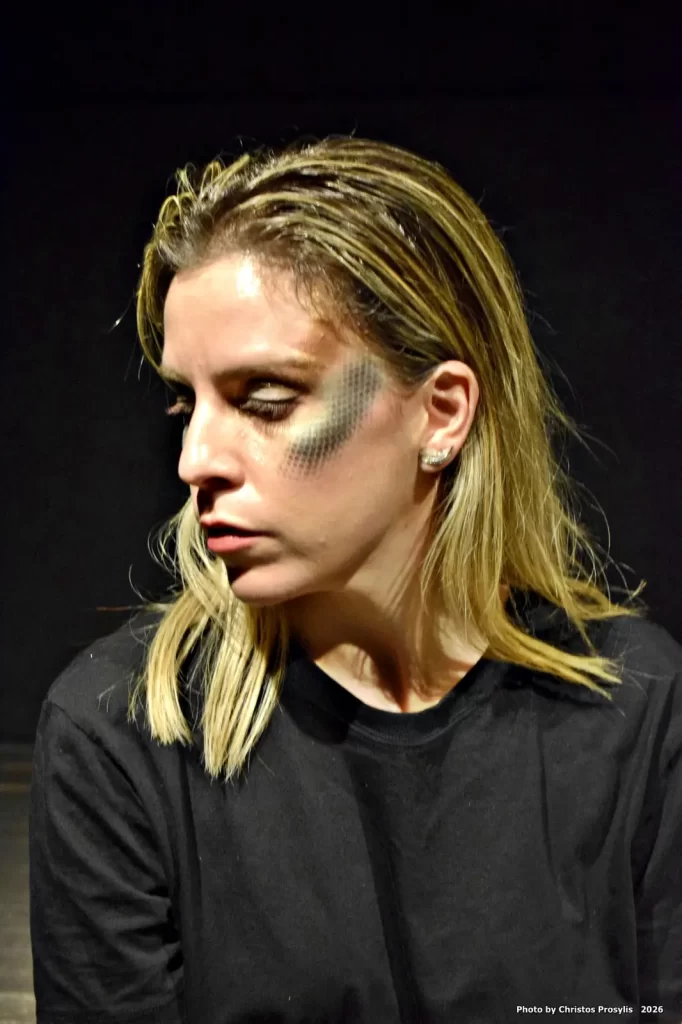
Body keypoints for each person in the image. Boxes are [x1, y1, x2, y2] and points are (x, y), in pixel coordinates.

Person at [29, 135, 681, 1023]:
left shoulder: (641, 711)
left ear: (441, 414)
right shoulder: (121, 735)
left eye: (266, 398)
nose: (194, 459)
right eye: (186, 403)